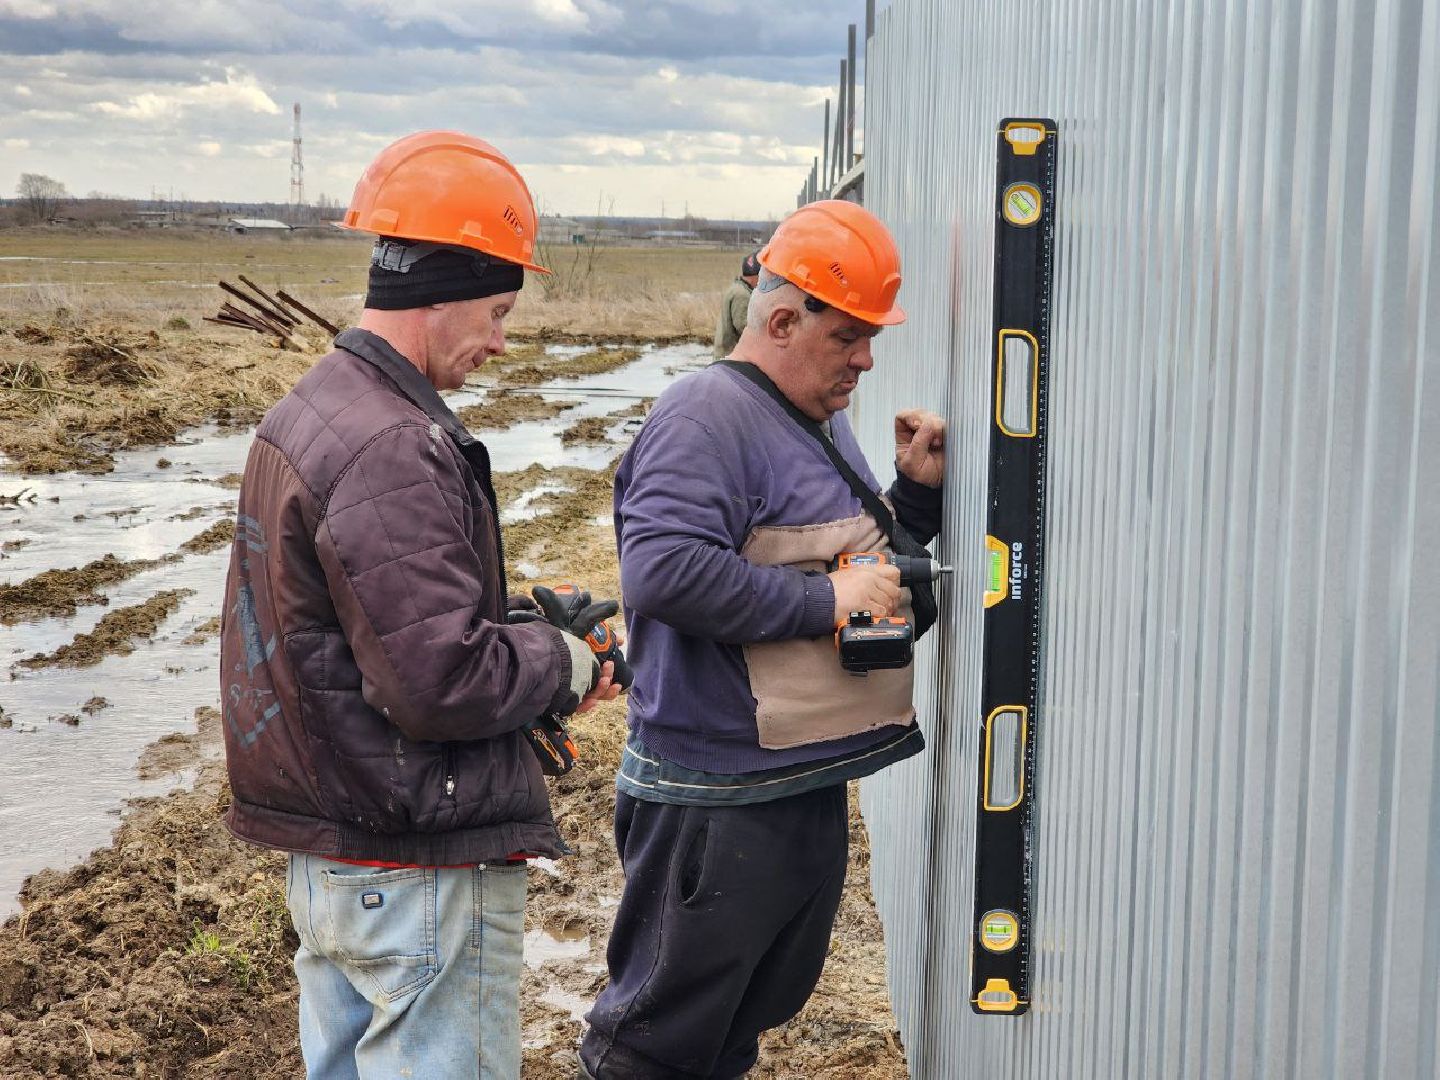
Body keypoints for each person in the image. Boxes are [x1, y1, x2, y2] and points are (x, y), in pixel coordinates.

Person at [218, 130, 622, 1079]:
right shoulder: (394, 444)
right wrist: (566, 662)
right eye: (495, 310)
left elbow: (360, 633)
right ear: (438, 293)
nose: (499, 341)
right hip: (414, 869)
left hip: (338, 861)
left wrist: (517, 628)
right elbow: (437, 680)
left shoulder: (313, 407)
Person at [580, 200, 946, 1079]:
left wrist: (916, 500)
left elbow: (847, 569)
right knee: (655, 1045)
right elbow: (663, 573)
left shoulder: (811, 415)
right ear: (782, 319)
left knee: (734, 1025)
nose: (865, 358)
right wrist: (823, 604)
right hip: (715, 798)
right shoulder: (705, 417)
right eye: (848, 336)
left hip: (793, 781)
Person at [712, 249, 760, 357]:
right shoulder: (741, 295)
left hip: (725, 356)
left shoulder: (736, 288)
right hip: (730, 358)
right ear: (756, 275)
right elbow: (743, 328)